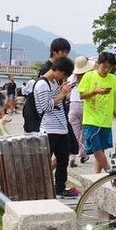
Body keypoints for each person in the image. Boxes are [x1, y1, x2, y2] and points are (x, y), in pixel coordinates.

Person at [33, 56, 80, 198]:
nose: (64, 77)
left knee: (62, 160)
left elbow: (58, 103)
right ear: (58, 69)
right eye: (64, 74)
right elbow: (45, 107)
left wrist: (64, 94)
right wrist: (62, 94)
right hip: (49, 128)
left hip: (61, 128)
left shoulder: (54, 82)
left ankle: (60, 188)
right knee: (45, 159)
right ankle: (40, 188)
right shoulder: (42, 84)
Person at [79, 52, 116, 173]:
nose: (106, 70)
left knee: (100, 149)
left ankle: (96, 177)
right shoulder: (89, 76)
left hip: (106, 120)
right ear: (98, 64)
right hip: (91, 120)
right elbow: (82, 95)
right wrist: (95, 92)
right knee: (97, 149)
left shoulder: (113, 79)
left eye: (109, 67)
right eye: (104, 66)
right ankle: (110, 172)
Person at [67, 56, 95, 168]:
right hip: (85, 104)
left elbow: (68, 93)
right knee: (84, 133)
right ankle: (82, 154)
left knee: (74, 133)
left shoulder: (71, 77)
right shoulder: (90, 76)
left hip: (73, 104)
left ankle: (72, 157)